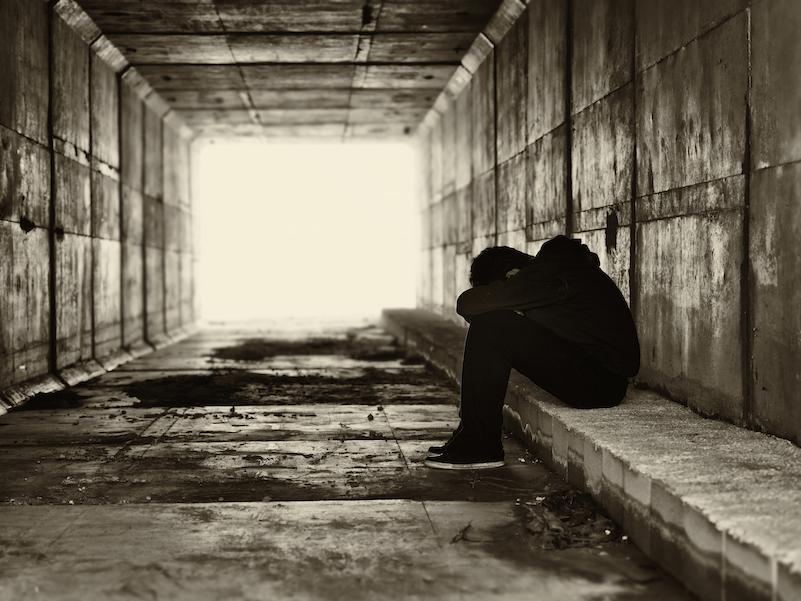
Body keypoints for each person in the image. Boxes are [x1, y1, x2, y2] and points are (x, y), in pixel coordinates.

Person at [425, 235, 640, 470]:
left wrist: (501, 303)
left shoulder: (550, 275)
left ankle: (480, 445)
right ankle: (470, 435)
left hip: (601, 384)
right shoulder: (557, 272)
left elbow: (466, 303)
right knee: (492, 322)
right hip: (598, 375)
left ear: (511, 276)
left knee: (490, 324)